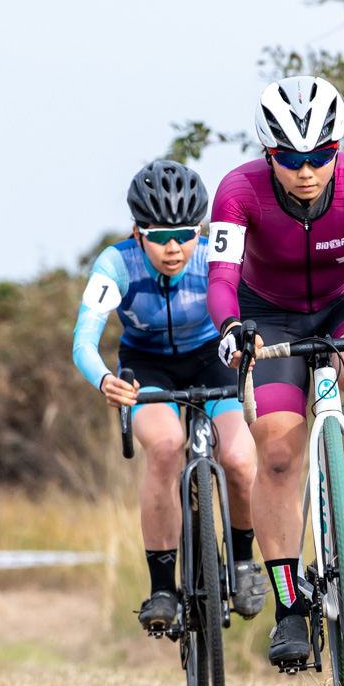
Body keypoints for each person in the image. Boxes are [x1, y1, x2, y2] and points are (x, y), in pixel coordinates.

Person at [207, 76, 344, 665]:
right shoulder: (237, 192)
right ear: (267, 153)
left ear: (337, 150)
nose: (306, 172)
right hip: (267, 315)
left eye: (319, 157)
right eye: (290, 159)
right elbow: (222, 280)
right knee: (277, 454)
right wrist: (231, 329)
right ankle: (288, 608)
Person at [72, 160, 267, 631]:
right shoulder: (115, 263)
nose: (174, 247)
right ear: (137, 232)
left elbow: (256, 306)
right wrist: (105, 381)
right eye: (160, 236)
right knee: (164, 449)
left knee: (240, 460)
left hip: (211, 356)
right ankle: (162, 588)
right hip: (148, 366)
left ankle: (243, 562)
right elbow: (83, 341)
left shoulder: (213, 257)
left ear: (200, 229)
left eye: (185, 233)